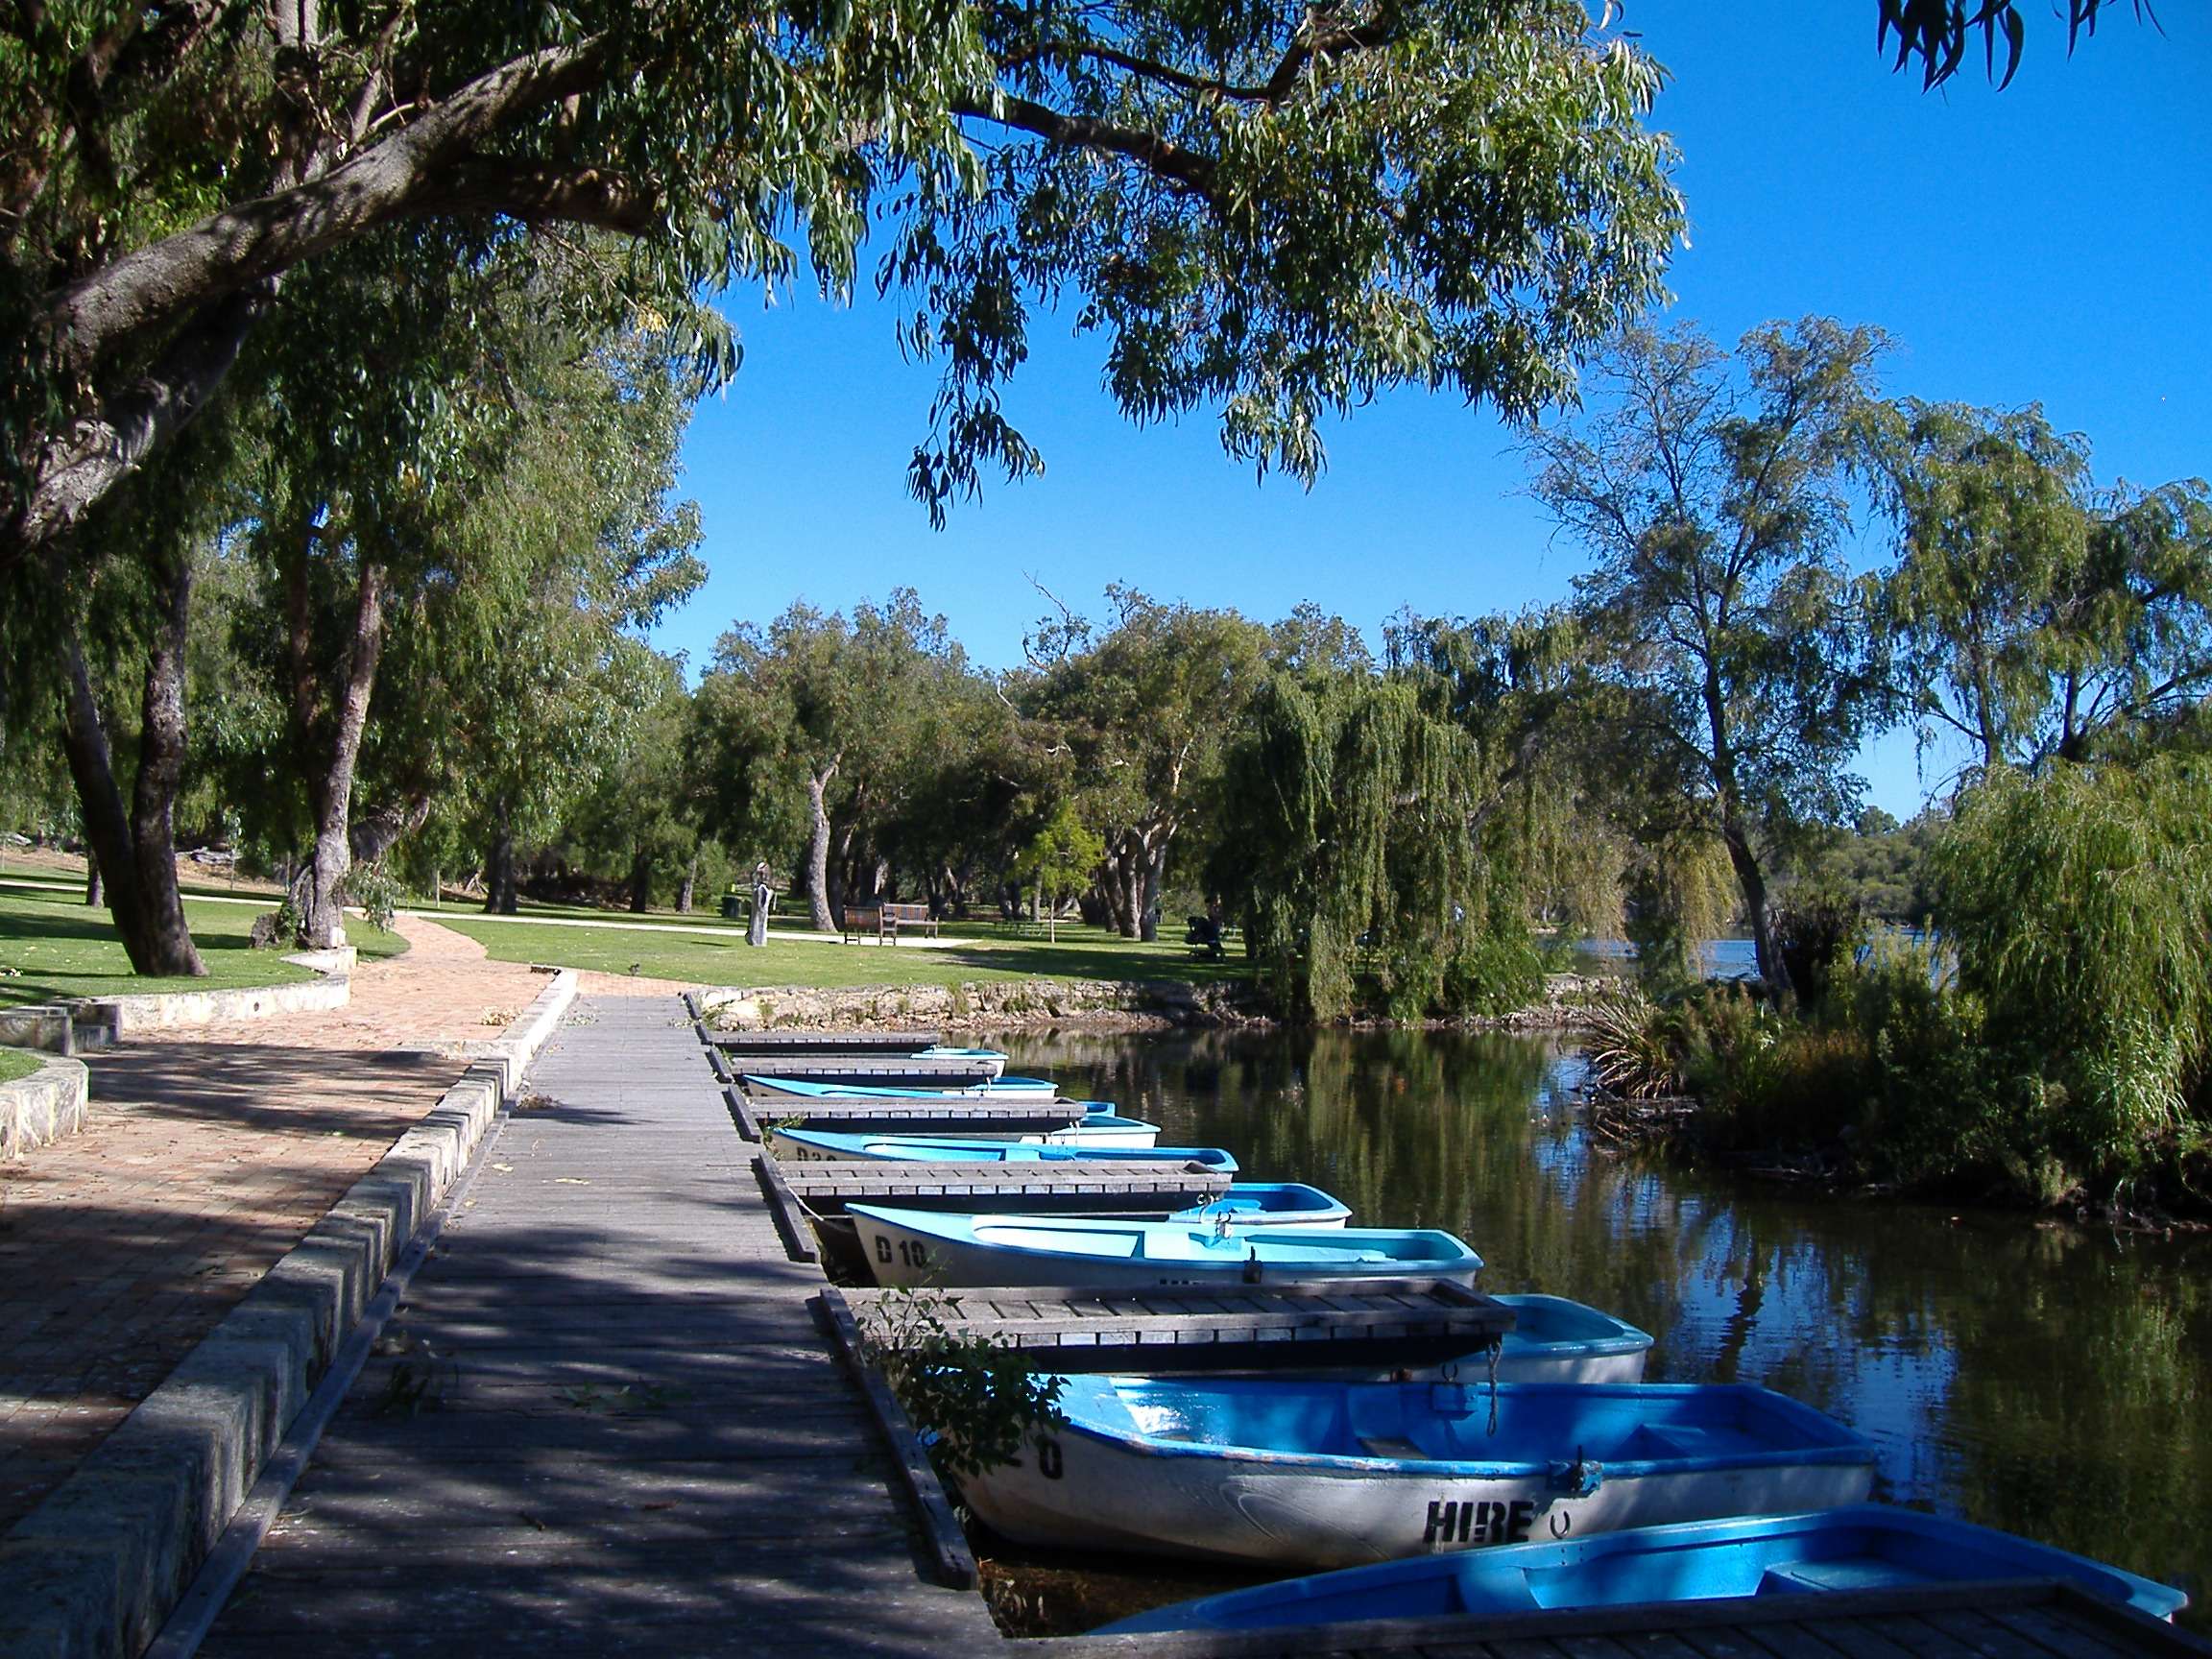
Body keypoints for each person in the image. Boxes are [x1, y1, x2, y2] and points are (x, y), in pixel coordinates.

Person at [748, 862, 773, 948]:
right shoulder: (759, 887)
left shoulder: (763, 888)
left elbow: (762, 902)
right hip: (759, 909)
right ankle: (756, 940)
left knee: (760, 922)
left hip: (761, 910)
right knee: (756, 921)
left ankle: (759, 941)